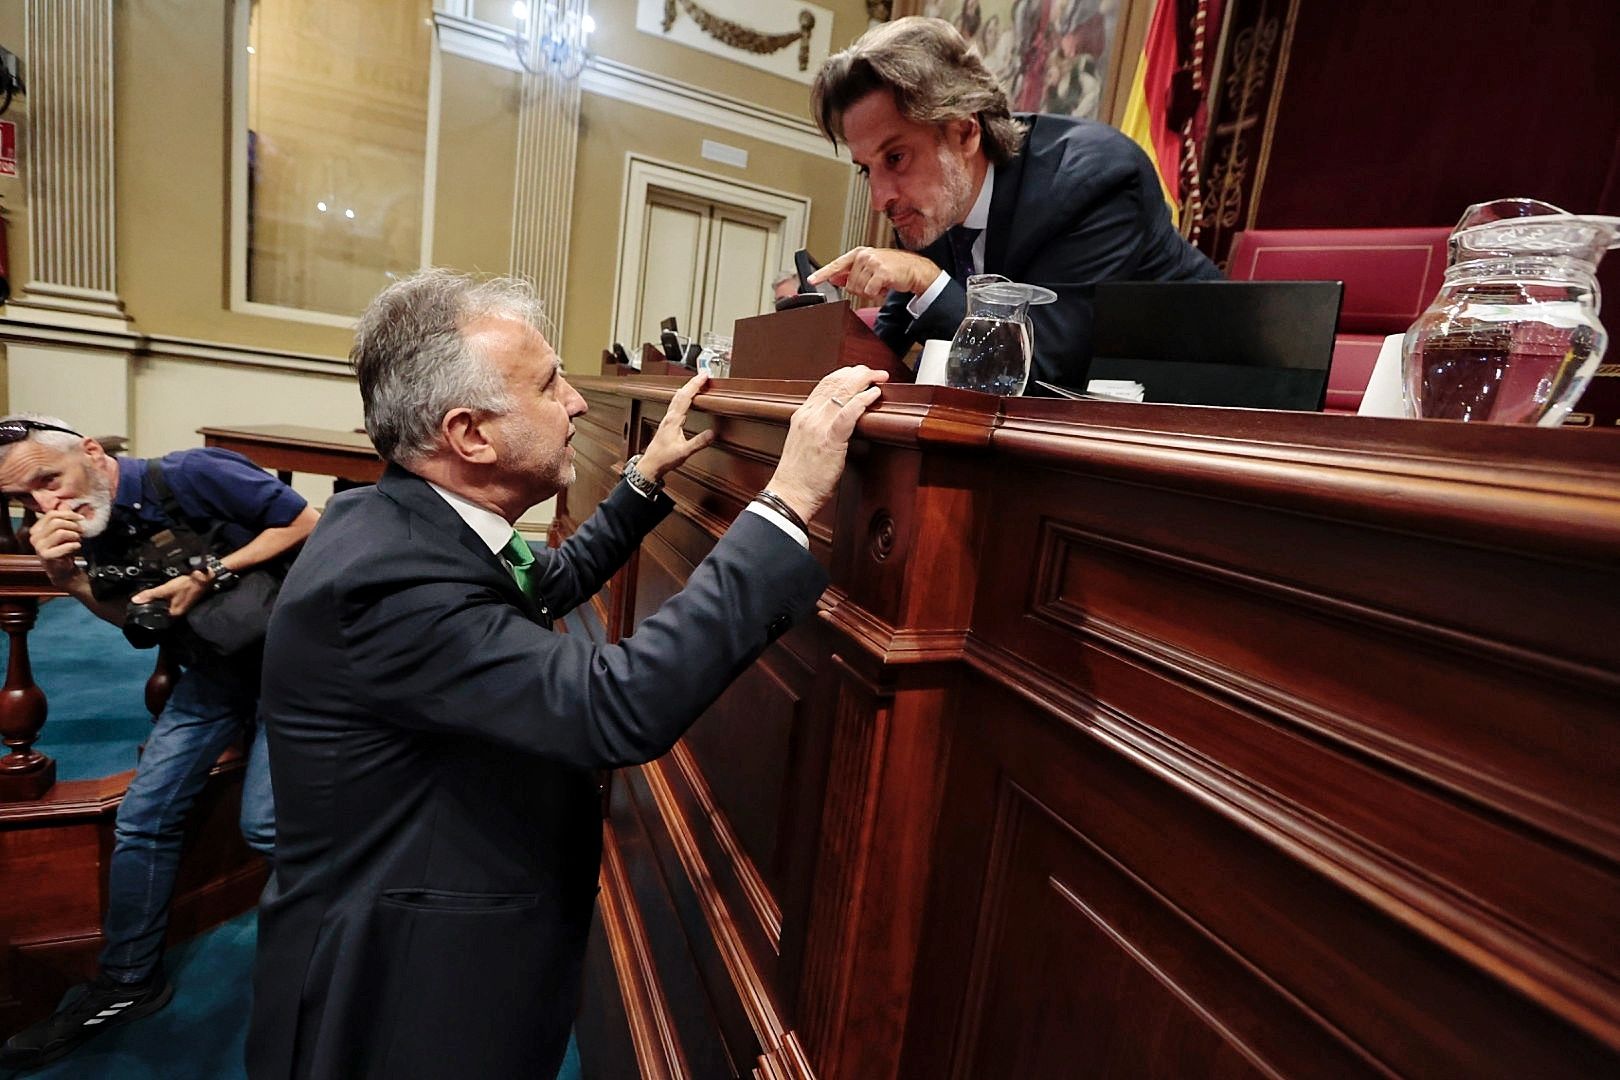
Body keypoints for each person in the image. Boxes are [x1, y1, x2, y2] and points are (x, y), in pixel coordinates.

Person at [246, 270, 886, 1079]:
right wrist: (788, 500)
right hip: (401, 988)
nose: (579, 403)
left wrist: (644, 480)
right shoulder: (385, 579)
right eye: (550, 385)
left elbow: (538, 587)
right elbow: (614, 705)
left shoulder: (407, 516)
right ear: (469, 434)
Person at [0, 415, 317, 1071]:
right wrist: (66, 579)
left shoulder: (194, 473)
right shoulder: (90, 527)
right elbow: (136, 620)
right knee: (142, 816)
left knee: (265, 825)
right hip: (213, 674)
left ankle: (326, 974)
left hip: (296, 669)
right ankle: (128, 981)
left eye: (49, 481)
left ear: (92, 453)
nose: (45, 505)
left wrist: (212, 573)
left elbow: (309, 522)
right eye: (25, 501)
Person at [807, 16, 1222, 389]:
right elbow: (887, 347)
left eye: (895, 158)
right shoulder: (933, 207)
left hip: (1216, 413)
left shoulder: (1093, 181)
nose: (880, 199)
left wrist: (928, 281)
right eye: (867, 169)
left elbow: (1039, 371)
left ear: (966, 133)